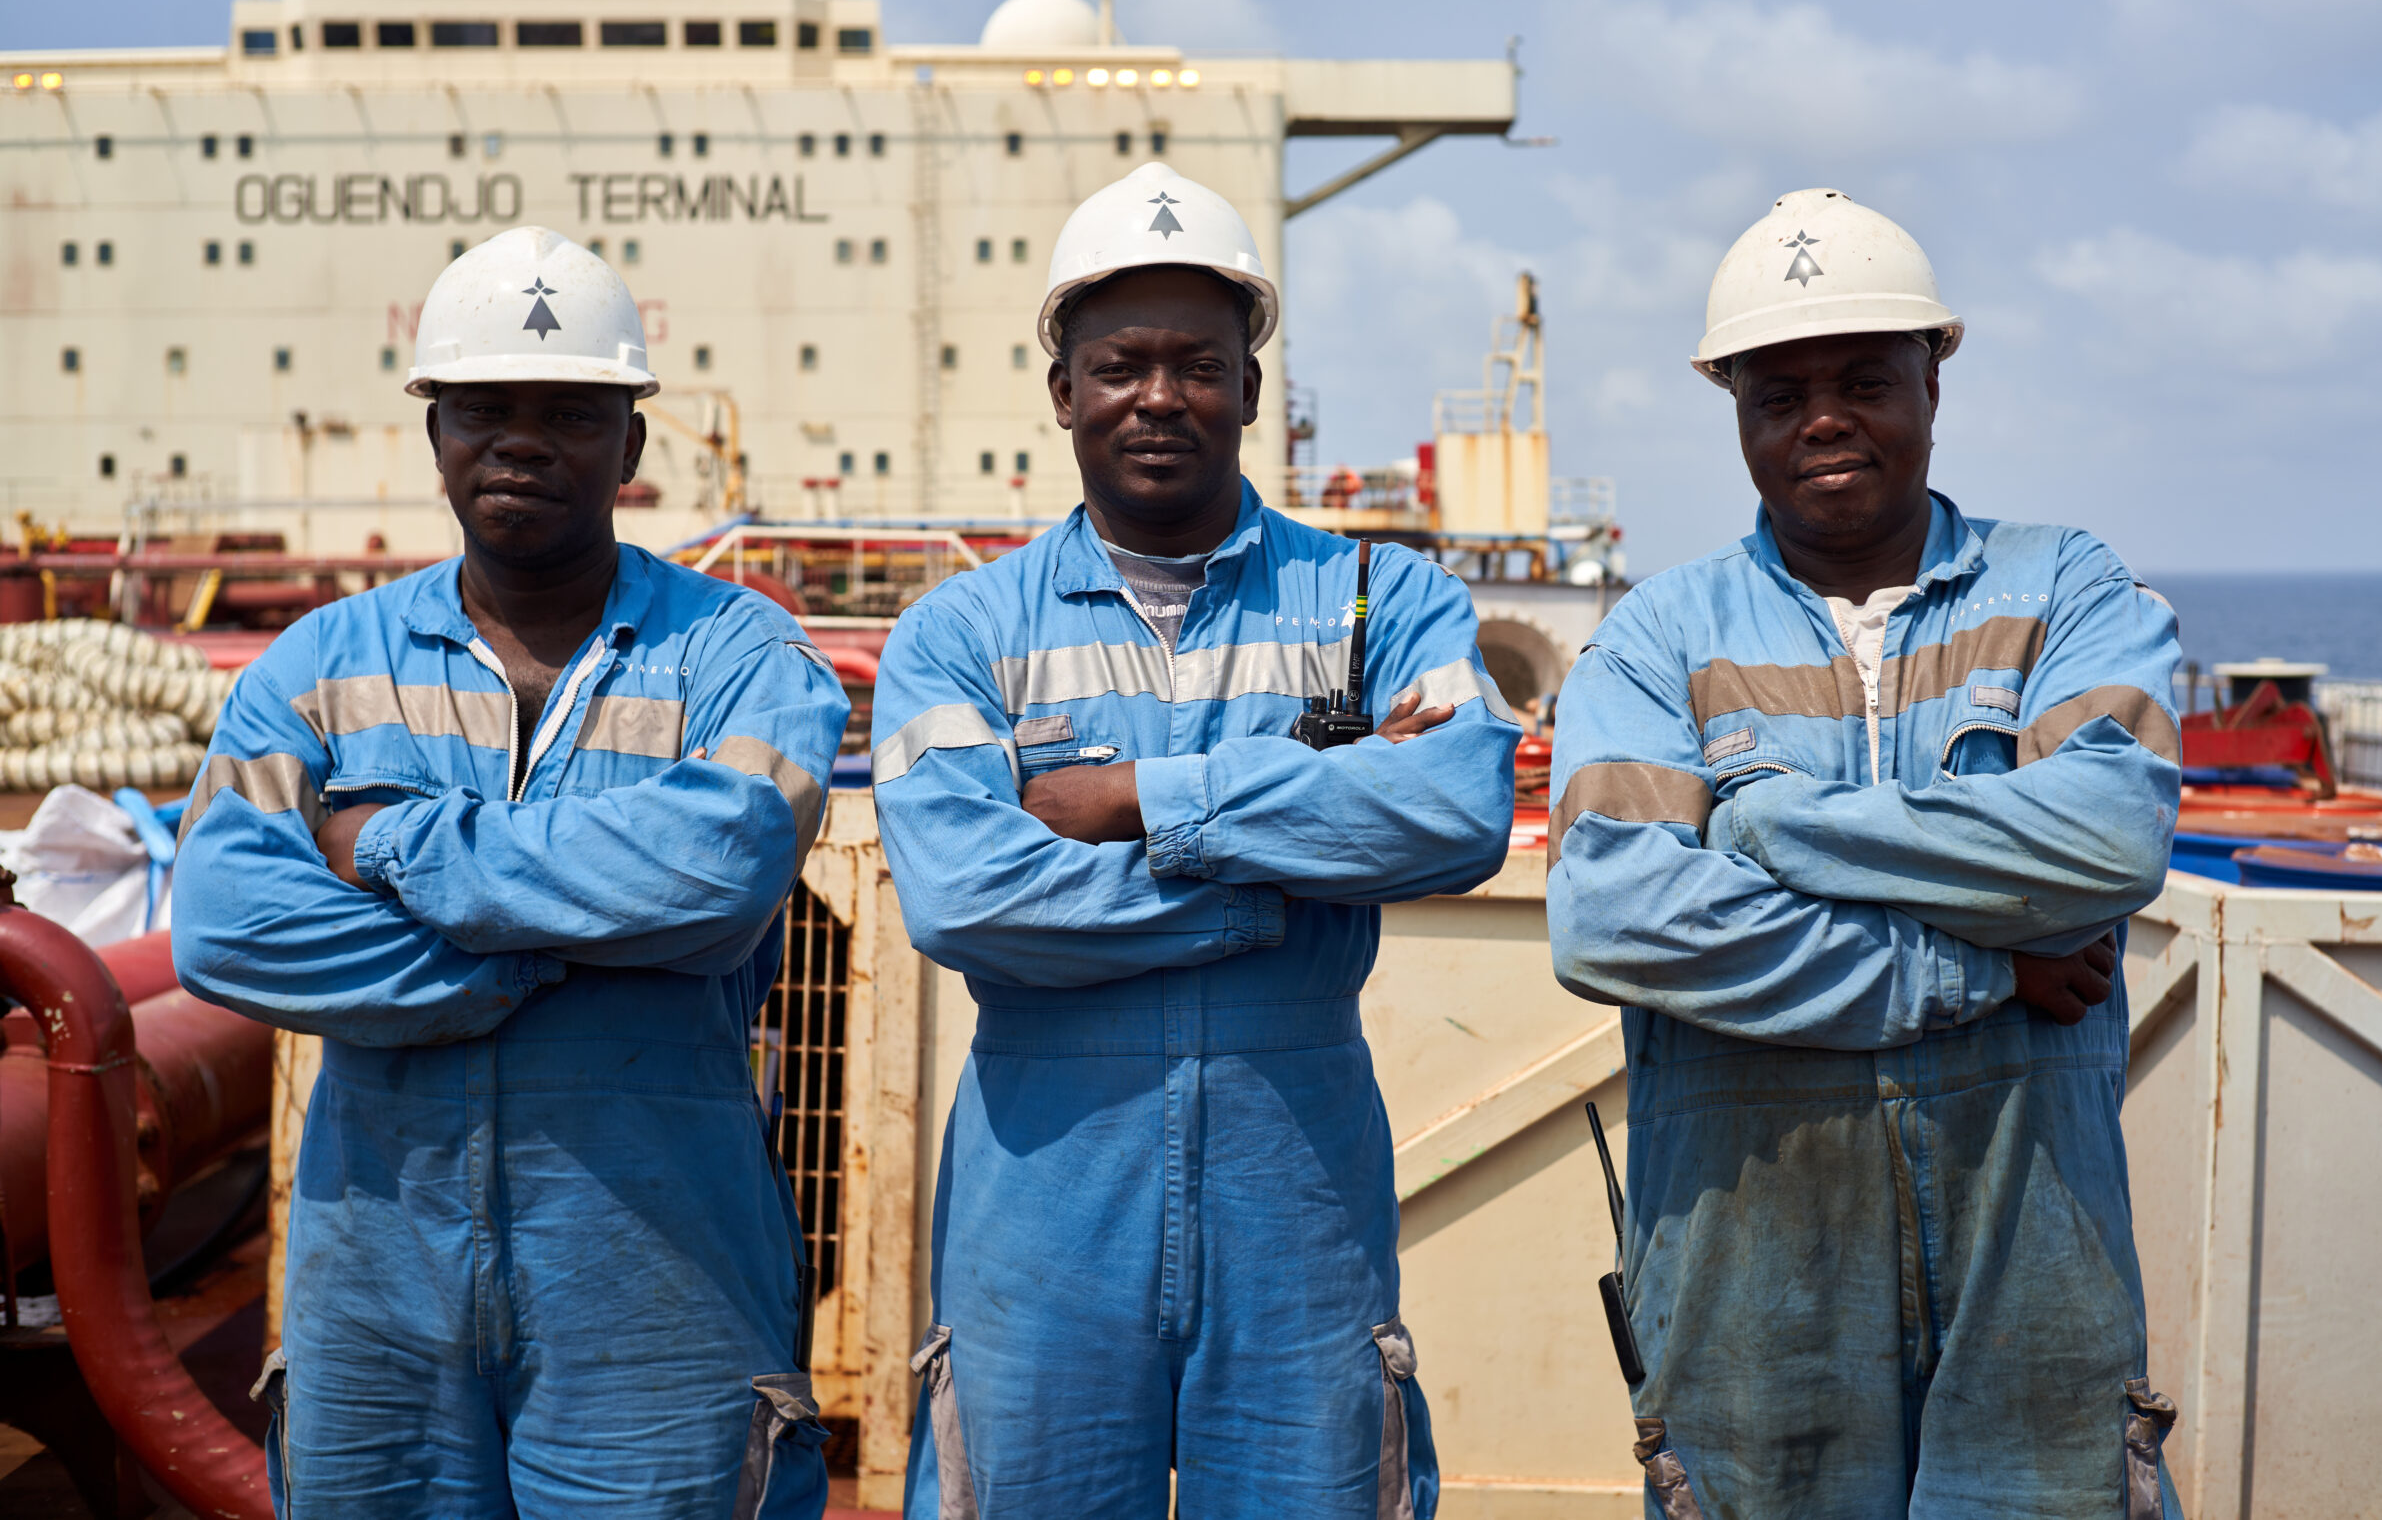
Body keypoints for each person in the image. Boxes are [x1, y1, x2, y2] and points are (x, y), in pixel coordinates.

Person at [871, 161, 1517, 1518]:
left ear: (1251, 388)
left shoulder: (1373, 597)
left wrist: (1145, 804)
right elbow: (964, 896)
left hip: (1298, 1200)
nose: (1159, 397)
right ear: (1064, 392)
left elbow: (1457, 809)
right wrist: (1270, 881)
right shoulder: (962, 632)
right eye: (1119, 366)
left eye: (1198, 366)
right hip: (1045, 1201)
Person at [173, 226, 850, 1519]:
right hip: (376, 1282)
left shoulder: (741, 653)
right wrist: (548, 956)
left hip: (659, 1273)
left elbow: (718, 873)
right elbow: (224, 926)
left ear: (632, 447)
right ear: (435, 433)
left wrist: (389, 842)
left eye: (570, 414)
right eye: (483, 407)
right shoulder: (318, 664)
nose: (521, 441)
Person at [1546, 189, 2185, 1519]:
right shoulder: (1660, 634)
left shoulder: (2062, 587)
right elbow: (1613, 916)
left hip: (2036, 1272)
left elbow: (2110, 836)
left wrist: (1772, 825)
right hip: (1747, 1290)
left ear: (1934, 380)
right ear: (1733, 409)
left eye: (1862, 380)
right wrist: (1982, 971)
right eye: (1779, 393)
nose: (1823, 417)